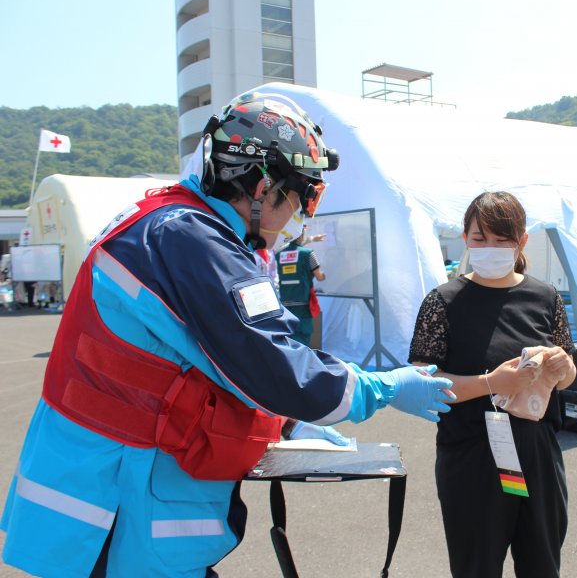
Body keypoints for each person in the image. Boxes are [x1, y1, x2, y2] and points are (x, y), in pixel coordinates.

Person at [0, 88, 455, 577]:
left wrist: (285, 424)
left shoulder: (171, 224)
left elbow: (200, 359)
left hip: (103, 492)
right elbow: (273, 365)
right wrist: (383, 387)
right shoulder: (189, 239)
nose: (300, 219)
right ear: (262, 188)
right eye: (303, 198)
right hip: (116, 506)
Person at [408, 191, 576, 578]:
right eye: (479, 239)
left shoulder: (544, 296)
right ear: (465, 238)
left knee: (542, 563)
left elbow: (567, 378)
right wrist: (492, 382)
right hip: (472, 454)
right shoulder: (443, 301)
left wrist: (563, 366)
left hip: (536, 452)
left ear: (522, 242)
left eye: (503, 240)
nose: (490, 248)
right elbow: (421, 381)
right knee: (477, 566)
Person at [275, 229, 326, 346]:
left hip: (285, 303)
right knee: (303, 336)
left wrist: (312, 239)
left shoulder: (279, 254)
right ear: (301, 236)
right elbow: (319, 277)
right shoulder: (308, 253)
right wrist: (325, 275)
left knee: (288, 336)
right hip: (303, 303)